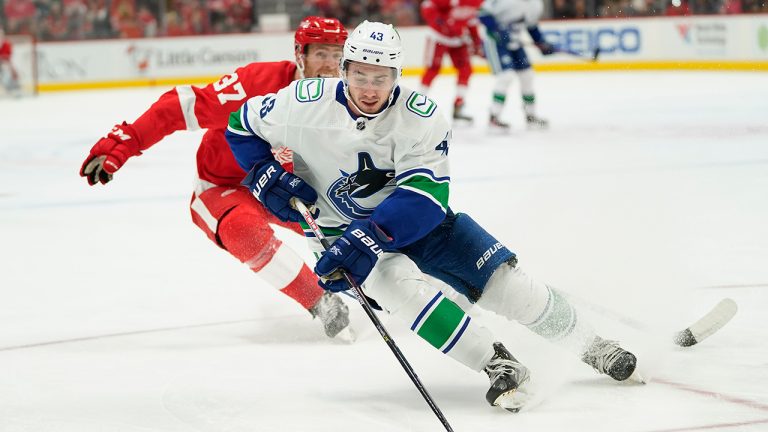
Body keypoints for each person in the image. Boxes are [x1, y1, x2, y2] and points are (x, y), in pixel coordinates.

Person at [225, 20, 640, 412]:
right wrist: (262, 174)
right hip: (338, 229)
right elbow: (239, 126)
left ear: (397, 76)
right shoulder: (302, 104)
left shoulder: (419, 115)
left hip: (416, 223)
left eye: (381, 77)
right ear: (344, 70)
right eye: (360, 76)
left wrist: (371, 235)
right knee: (397, 291)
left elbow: (425, 196)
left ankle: (594, 344)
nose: (370, 89)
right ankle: (497, 365)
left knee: (506, 285)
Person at [79, 17, 353, 339]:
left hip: (288, 190)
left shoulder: (347, 99)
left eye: (338, 56)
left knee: (364, 226)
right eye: (321, 54)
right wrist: (124, 143)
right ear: (299, 54)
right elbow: (179, 107)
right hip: (224, 188)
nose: (330, 66)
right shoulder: (255, 84)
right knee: (243, 230)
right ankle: (321, 302)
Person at [478, 0, 555, 130]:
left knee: (527, 76)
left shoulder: (536, 4)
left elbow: (531, 27)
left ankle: (531, 116)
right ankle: (494, 116)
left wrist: (541, 42)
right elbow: (483, 13)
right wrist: (498, 30)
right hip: (496, 42)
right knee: (506, 76)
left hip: (515, 43)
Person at [419, 0, 484, 123]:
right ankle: (418, 102)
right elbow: (427, 5)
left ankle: (459, 106)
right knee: (433, 69)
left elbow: (471, 21)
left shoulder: (477, 2)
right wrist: (439, 22)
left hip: (457, 39)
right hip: (438, 36)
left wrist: (477, 43)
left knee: (466, 70)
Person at [0, 29, 21, 96]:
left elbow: (8, 58)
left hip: (5, 64)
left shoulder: (7, 44)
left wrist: (12, 69)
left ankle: (14, 87)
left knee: (11, 71)